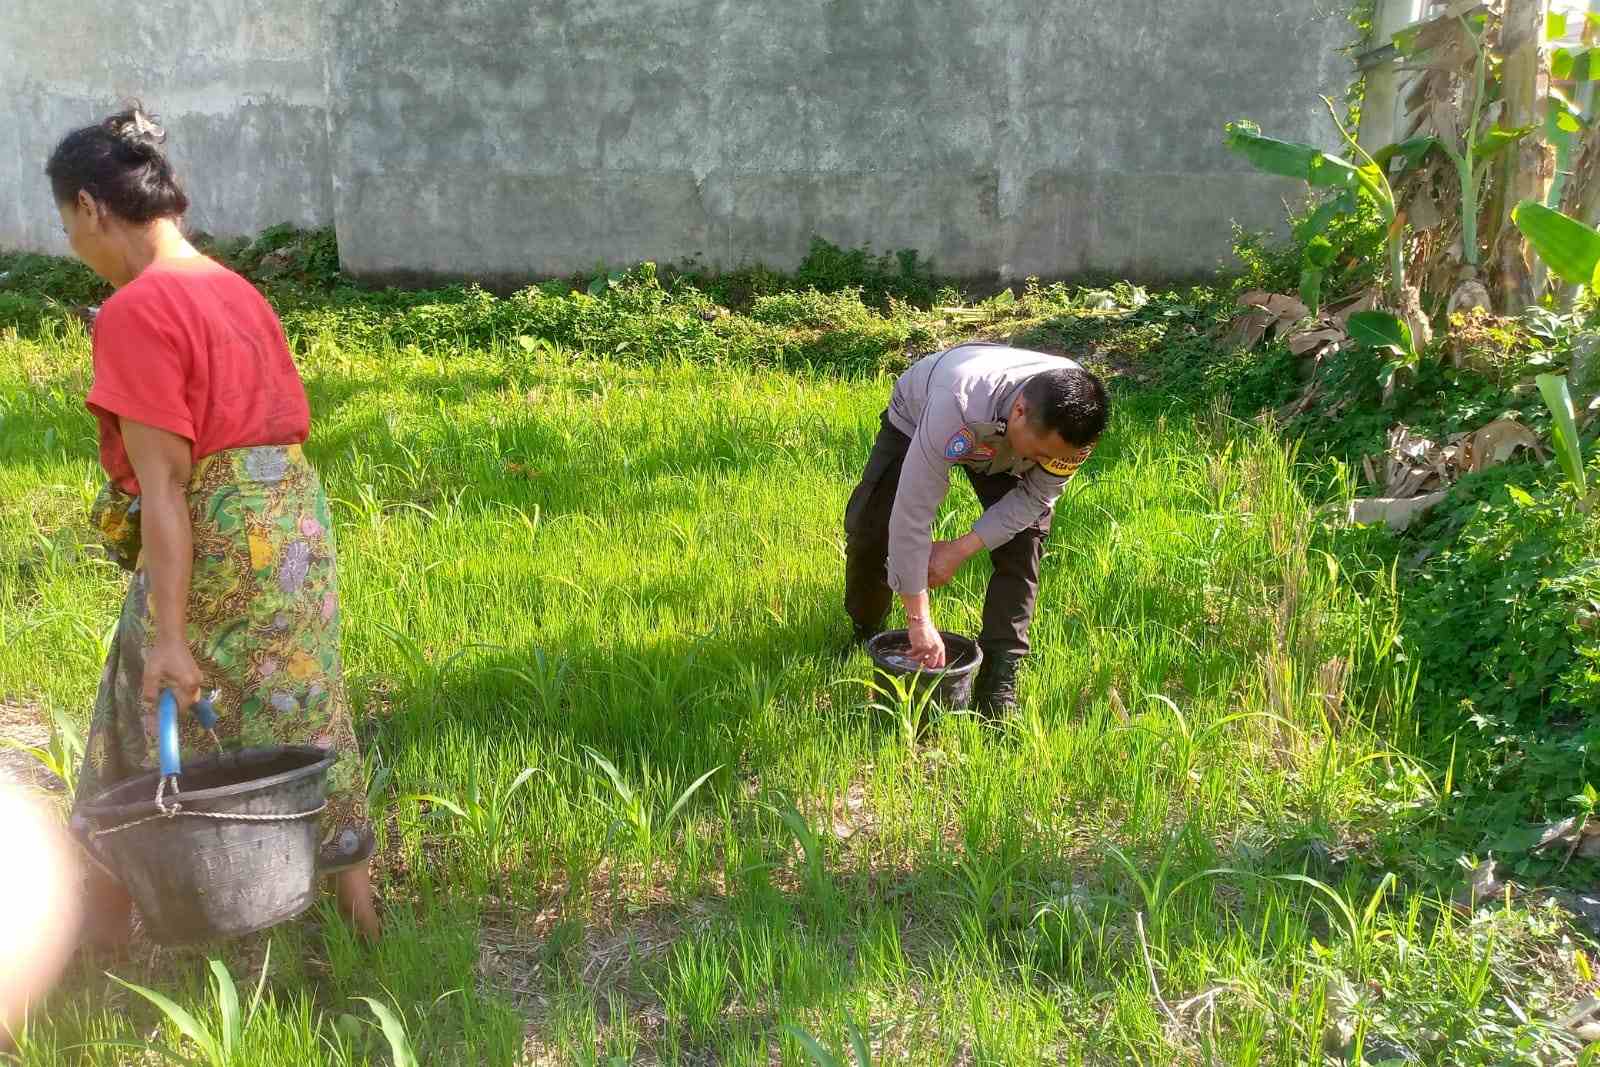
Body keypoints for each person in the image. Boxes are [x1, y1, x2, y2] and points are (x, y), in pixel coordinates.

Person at [46, 107, 380, 943]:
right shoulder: (232, 286)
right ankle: (360, 909)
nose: (73, 248)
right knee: (304, 695)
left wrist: (168, 633)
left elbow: (165, 490)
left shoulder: (135, 308)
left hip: (222, 525)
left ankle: (109, 915)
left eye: (67, 226)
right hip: (294, 522)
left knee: (146, 684)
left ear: (91, 208)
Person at [844, 341, 1109, 717]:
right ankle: (868, 629)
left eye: (1052, 459)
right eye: (1039, 456)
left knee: (1024, 543)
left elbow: (1035, 498)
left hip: (1000, 437)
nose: (1044, 465)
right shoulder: (955, 401)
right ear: (1019, 412)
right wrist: (919, 620)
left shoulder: (1075, 431)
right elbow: (913, 511)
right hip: (921, 416)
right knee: (873, 528)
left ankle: (998, 680)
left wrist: (959, 549)